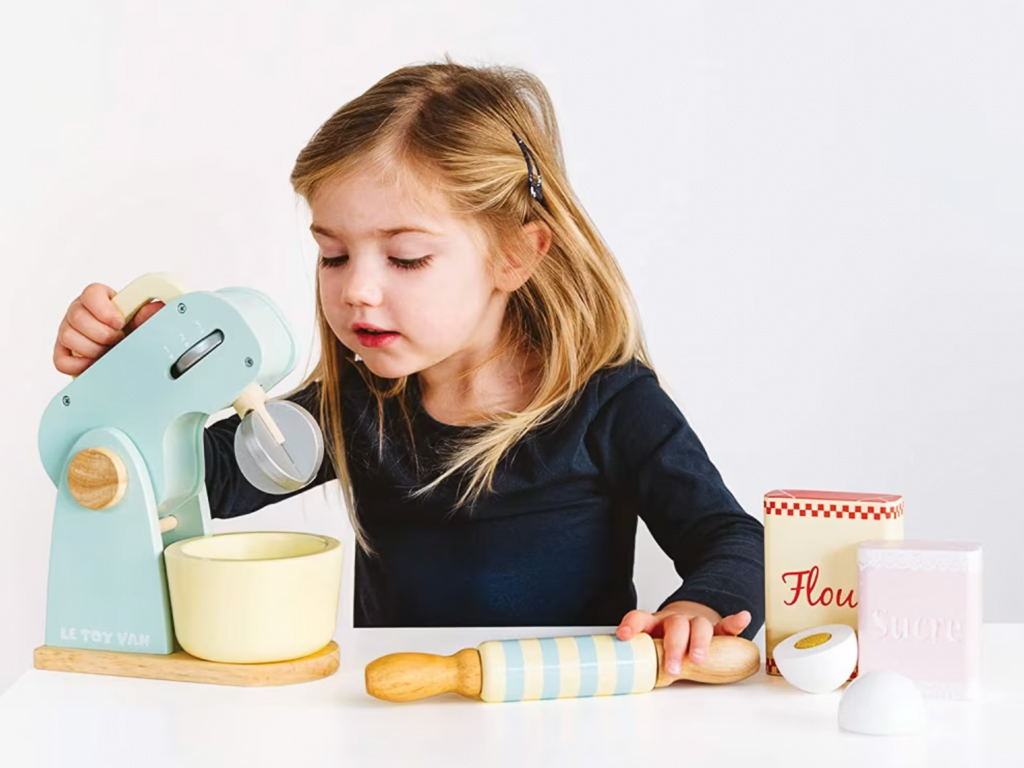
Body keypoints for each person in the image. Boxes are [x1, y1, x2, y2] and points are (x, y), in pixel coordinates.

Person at [52, 58, 764, 677]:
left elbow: (733, 541)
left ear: (515, 255)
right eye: (333, 254)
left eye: (406, 257)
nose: (356, 287)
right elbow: (186, 485)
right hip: (396, 718)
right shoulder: (353, 406)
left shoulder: (612, 407)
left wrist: (699, 607)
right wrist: (129, 384)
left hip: (563, 717)